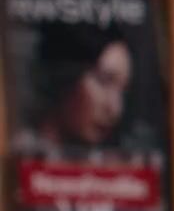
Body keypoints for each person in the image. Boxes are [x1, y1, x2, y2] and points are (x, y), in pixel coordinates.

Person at [12, 22, 142, 156]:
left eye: (123, 91)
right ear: (64, 74)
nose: (115, 110)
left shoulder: (113, 160)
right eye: (104, 81)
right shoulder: (16, 149)